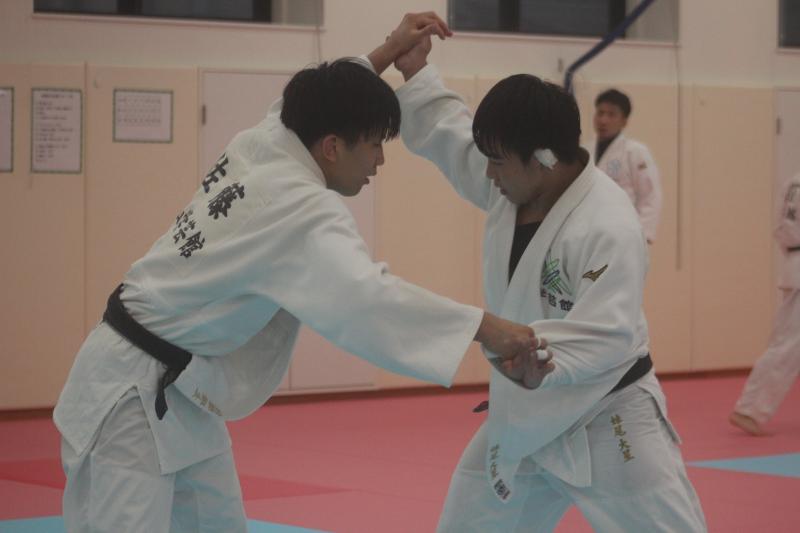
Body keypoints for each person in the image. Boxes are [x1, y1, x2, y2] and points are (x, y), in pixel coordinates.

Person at [53, 13, 545, 532]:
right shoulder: (301, 208)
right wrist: (487, 327)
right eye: (374, 144)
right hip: (130, 393)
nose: (379, 161)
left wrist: (388, 49)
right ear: (332, 147)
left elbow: (319, 96)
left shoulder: (265, 140)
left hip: (187, 386)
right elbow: (367, 299)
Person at [378, 17, 707, 532]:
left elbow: (608, 332)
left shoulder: (608, 223)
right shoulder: (512, 182)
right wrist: (416, 72)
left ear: (545, 160)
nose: (488, 172)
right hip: (525, 415)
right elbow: (452, 135)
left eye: (498, 162)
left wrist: (541, 361)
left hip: (608, 412)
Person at [730, 173, 800, 436]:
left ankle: (751, 408)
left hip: (793, 262)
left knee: (786, 342)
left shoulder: (793, 181)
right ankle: (751, 409)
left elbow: (780, 228)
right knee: (789, 345)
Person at [590, 88, 662, 244]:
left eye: (611, 114)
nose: (603, 120)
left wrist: (644, 235)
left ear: (624, 121)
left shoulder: (635, 152)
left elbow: (650, 195)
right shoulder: (584, 152)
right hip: (590, 231)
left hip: (625, 232)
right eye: (600, 113)